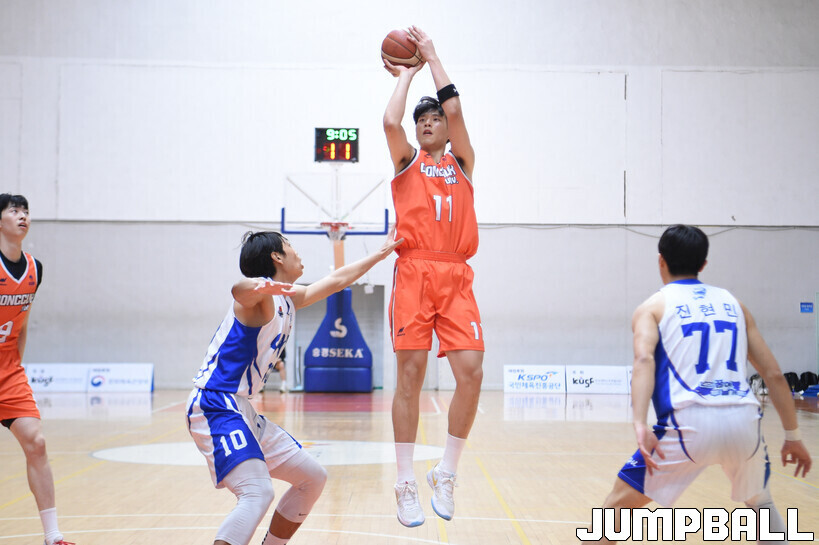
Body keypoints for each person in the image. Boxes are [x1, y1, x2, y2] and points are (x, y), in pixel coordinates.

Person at [595, 225, 812, 544]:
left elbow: (643, 360)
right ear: (703, 264)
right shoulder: (734, 304)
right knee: (761, 505)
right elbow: (774, 375)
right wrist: (792, 436)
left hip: (687, 424)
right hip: (743, 422)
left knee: (615, 508)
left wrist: (639, 422)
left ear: (660, 260)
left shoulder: (652, 308)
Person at [186, 229, 402, 545]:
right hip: (215, 403)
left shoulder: (288, 297)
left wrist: (379, 255)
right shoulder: (260, 298)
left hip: (241, 408)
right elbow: (239, 290)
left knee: (312, 478)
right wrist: (262, 285)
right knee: (257, 492)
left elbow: (338, 280)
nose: (297, 253)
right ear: (276, 256)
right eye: (290, 246)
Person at [383, 26, 484, 527]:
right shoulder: (407, 162)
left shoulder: (463, 163)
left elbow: (457, 108)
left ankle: (446, 471)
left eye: (434, 118)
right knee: (410, 376)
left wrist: (433, 56)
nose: (426, 123)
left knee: (472, 373)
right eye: (421, 119)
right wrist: (406, 74)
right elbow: (389, 121)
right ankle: (405, 481)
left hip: (456, 275)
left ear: (446, 128)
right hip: (414, 272)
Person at [0, 194, 74, 545]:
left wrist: (15, 364)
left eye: (26, 211)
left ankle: (52, 535)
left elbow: (23, 321)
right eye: (14, 210)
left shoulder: (34, 269)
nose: (22, 216)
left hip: (8, 370)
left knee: (37, 443)